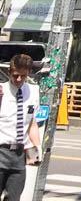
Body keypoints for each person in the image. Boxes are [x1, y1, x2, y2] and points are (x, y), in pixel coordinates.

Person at [0, 54, 39, 200]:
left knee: (14, 197)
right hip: (0, 150)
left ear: (28, 73)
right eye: (15, 75)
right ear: (9, 71)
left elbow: (31, 124)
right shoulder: (1, 91)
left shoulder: (33, 92)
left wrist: (36, 150)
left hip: (18, 156)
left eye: (22, 76)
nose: (18, 79)